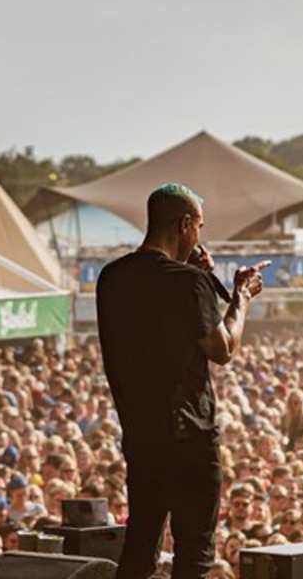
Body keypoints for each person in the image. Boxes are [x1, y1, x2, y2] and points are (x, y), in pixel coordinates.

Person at [97, 183, 265, 579]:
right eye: (199, 227)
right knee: (195, 551)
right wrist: (240, 297)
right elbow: (221, 350)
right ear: (185, 223)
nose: (199, 237)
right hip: (189, 435)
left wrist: (200, 280)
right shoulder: (187, 283)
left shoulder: (111, 276)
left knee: (140, 546)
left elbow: (155, 322)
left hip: (139, 432)